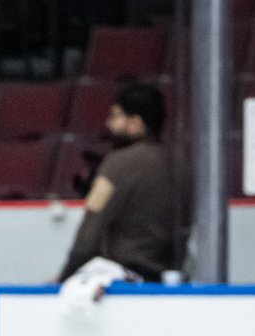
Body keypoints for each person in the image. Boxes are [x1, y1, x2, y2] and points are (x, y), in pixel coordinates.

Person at [58, 82, 178, 283]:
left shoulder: (118, 163)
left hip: (124, 282)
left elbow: (90, 231)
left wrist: (64, 278)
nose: (109, 124)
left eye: (115, 116)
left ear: (135, 123)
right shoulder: (180, 163)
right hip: (169, 277)